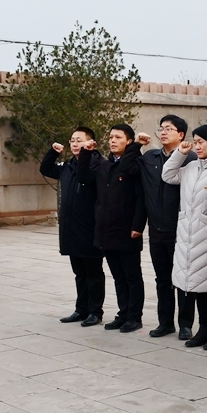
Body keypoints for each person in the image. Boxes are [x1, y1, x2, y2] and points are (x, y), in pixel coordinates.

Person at [162, 124, 207, 350]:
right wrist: (180, 153)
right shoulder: (190, 167)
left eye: (201, 142)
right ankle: (203, 329)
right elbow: (167, 174)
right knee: (198, 284)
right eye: (195, 142)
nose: (197, 146)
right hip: (189, 236)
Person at [75, 124, 147, 333]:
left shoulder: (135, 165)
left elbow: (141, 198)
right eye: (110, 137)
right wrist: (86, 153)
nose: (113, 141)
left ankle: (134, 316)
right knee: (118, 276)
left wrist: (138, 225)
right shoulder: (104, 165)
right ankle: (123, 314)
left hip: (127, 229)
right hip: (107, 229)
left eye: (118, 137)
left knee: (132, 276)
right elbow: (83, 177)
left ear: (129, 141)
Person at [138, 115, 196, 339]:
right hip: (156, 229)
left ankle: (186, 324)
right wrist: (136, 146)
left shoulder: (190, 159)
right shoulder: (150, 157)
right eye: (161, 129)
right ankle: (165, 323)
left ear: (181, 135)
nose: (163, 132)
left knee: (183, 279)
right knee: (162, 279)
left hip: (181, 231)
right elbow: (130, 172)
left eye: (169, 129)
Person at [40, 127, 105, 327]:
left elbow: (88, 179)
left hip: (90, 227)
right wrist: (53, 152)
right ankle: (81, 309)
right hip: (71, 227)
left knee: (93, 272)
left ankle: (95, 311)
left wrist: (87, 154)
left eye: (79, 140)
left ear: (90, 142)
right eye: (72, 141)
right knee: (79, 272)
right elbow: (45, 169)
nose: (75, 144)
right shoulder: (67, 165)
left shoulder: (97, 164)